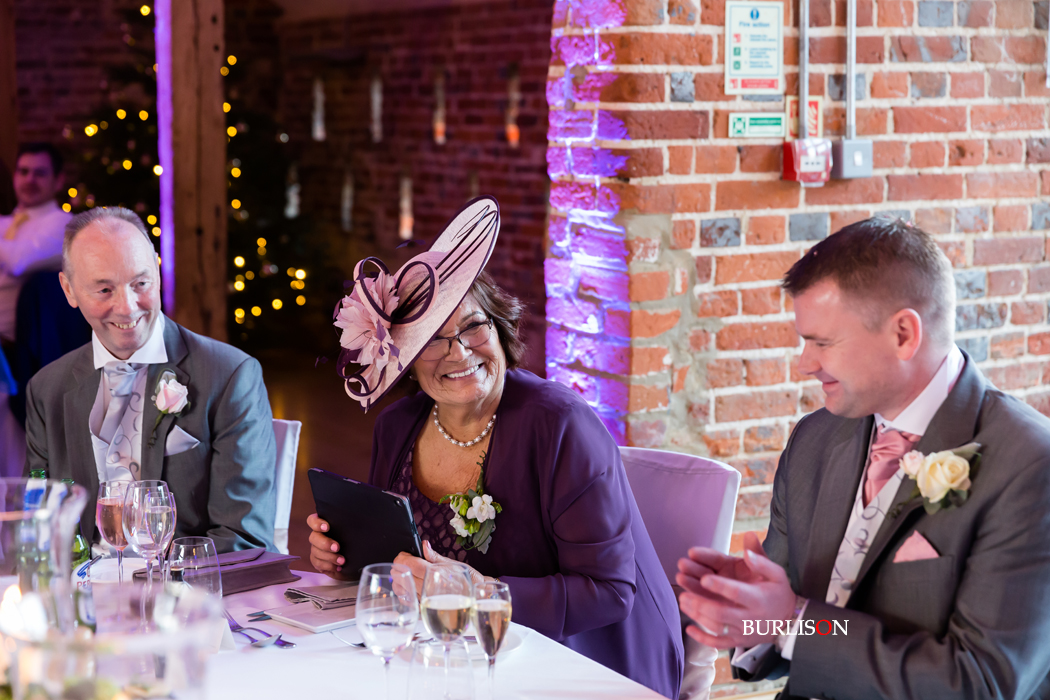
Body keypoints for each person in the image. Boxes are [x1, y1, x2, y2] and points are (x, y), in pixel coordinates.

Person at [307, 197, 684, 699]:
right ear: (406, 360)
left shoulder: (562, 427)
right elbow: (401, 563)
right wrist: (345, 557)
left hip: (588, 663)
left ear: (499, 326)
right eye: (433, 339)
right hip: (457, 657)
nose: (460, 351)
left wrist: (475, 592)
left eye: (472, 326)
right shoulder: (396, 427)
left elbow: (609, 594)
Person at [677, 217, 1050, 699]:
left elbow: (978, 682)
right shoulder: (815, 439)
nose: (805, 364)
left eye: (823, 342)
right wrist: (753, 614)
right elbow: (809, 625)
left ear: (903, 334)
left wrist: (791, 621)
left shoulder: (1030, 465)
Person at [24, 207, 277, 553]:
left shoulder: (230, 375)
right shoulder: (47, 389)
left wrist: (152, 579)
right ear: (69, 290)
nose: (128, 307)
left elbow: (243, 539)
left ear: (157, 273)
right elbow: (36, 526)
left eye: (140, 284)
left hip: (182, 584)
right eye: (104, 290)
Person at [0, 143, 71, 477]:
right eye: (23, 171)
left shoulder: (63, 225)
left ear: (58, 180)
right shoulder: (6, 224)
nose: (29, 180)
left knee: (12, 456)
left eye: (39, 173)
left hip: (21, 354)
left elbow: (19, 262)